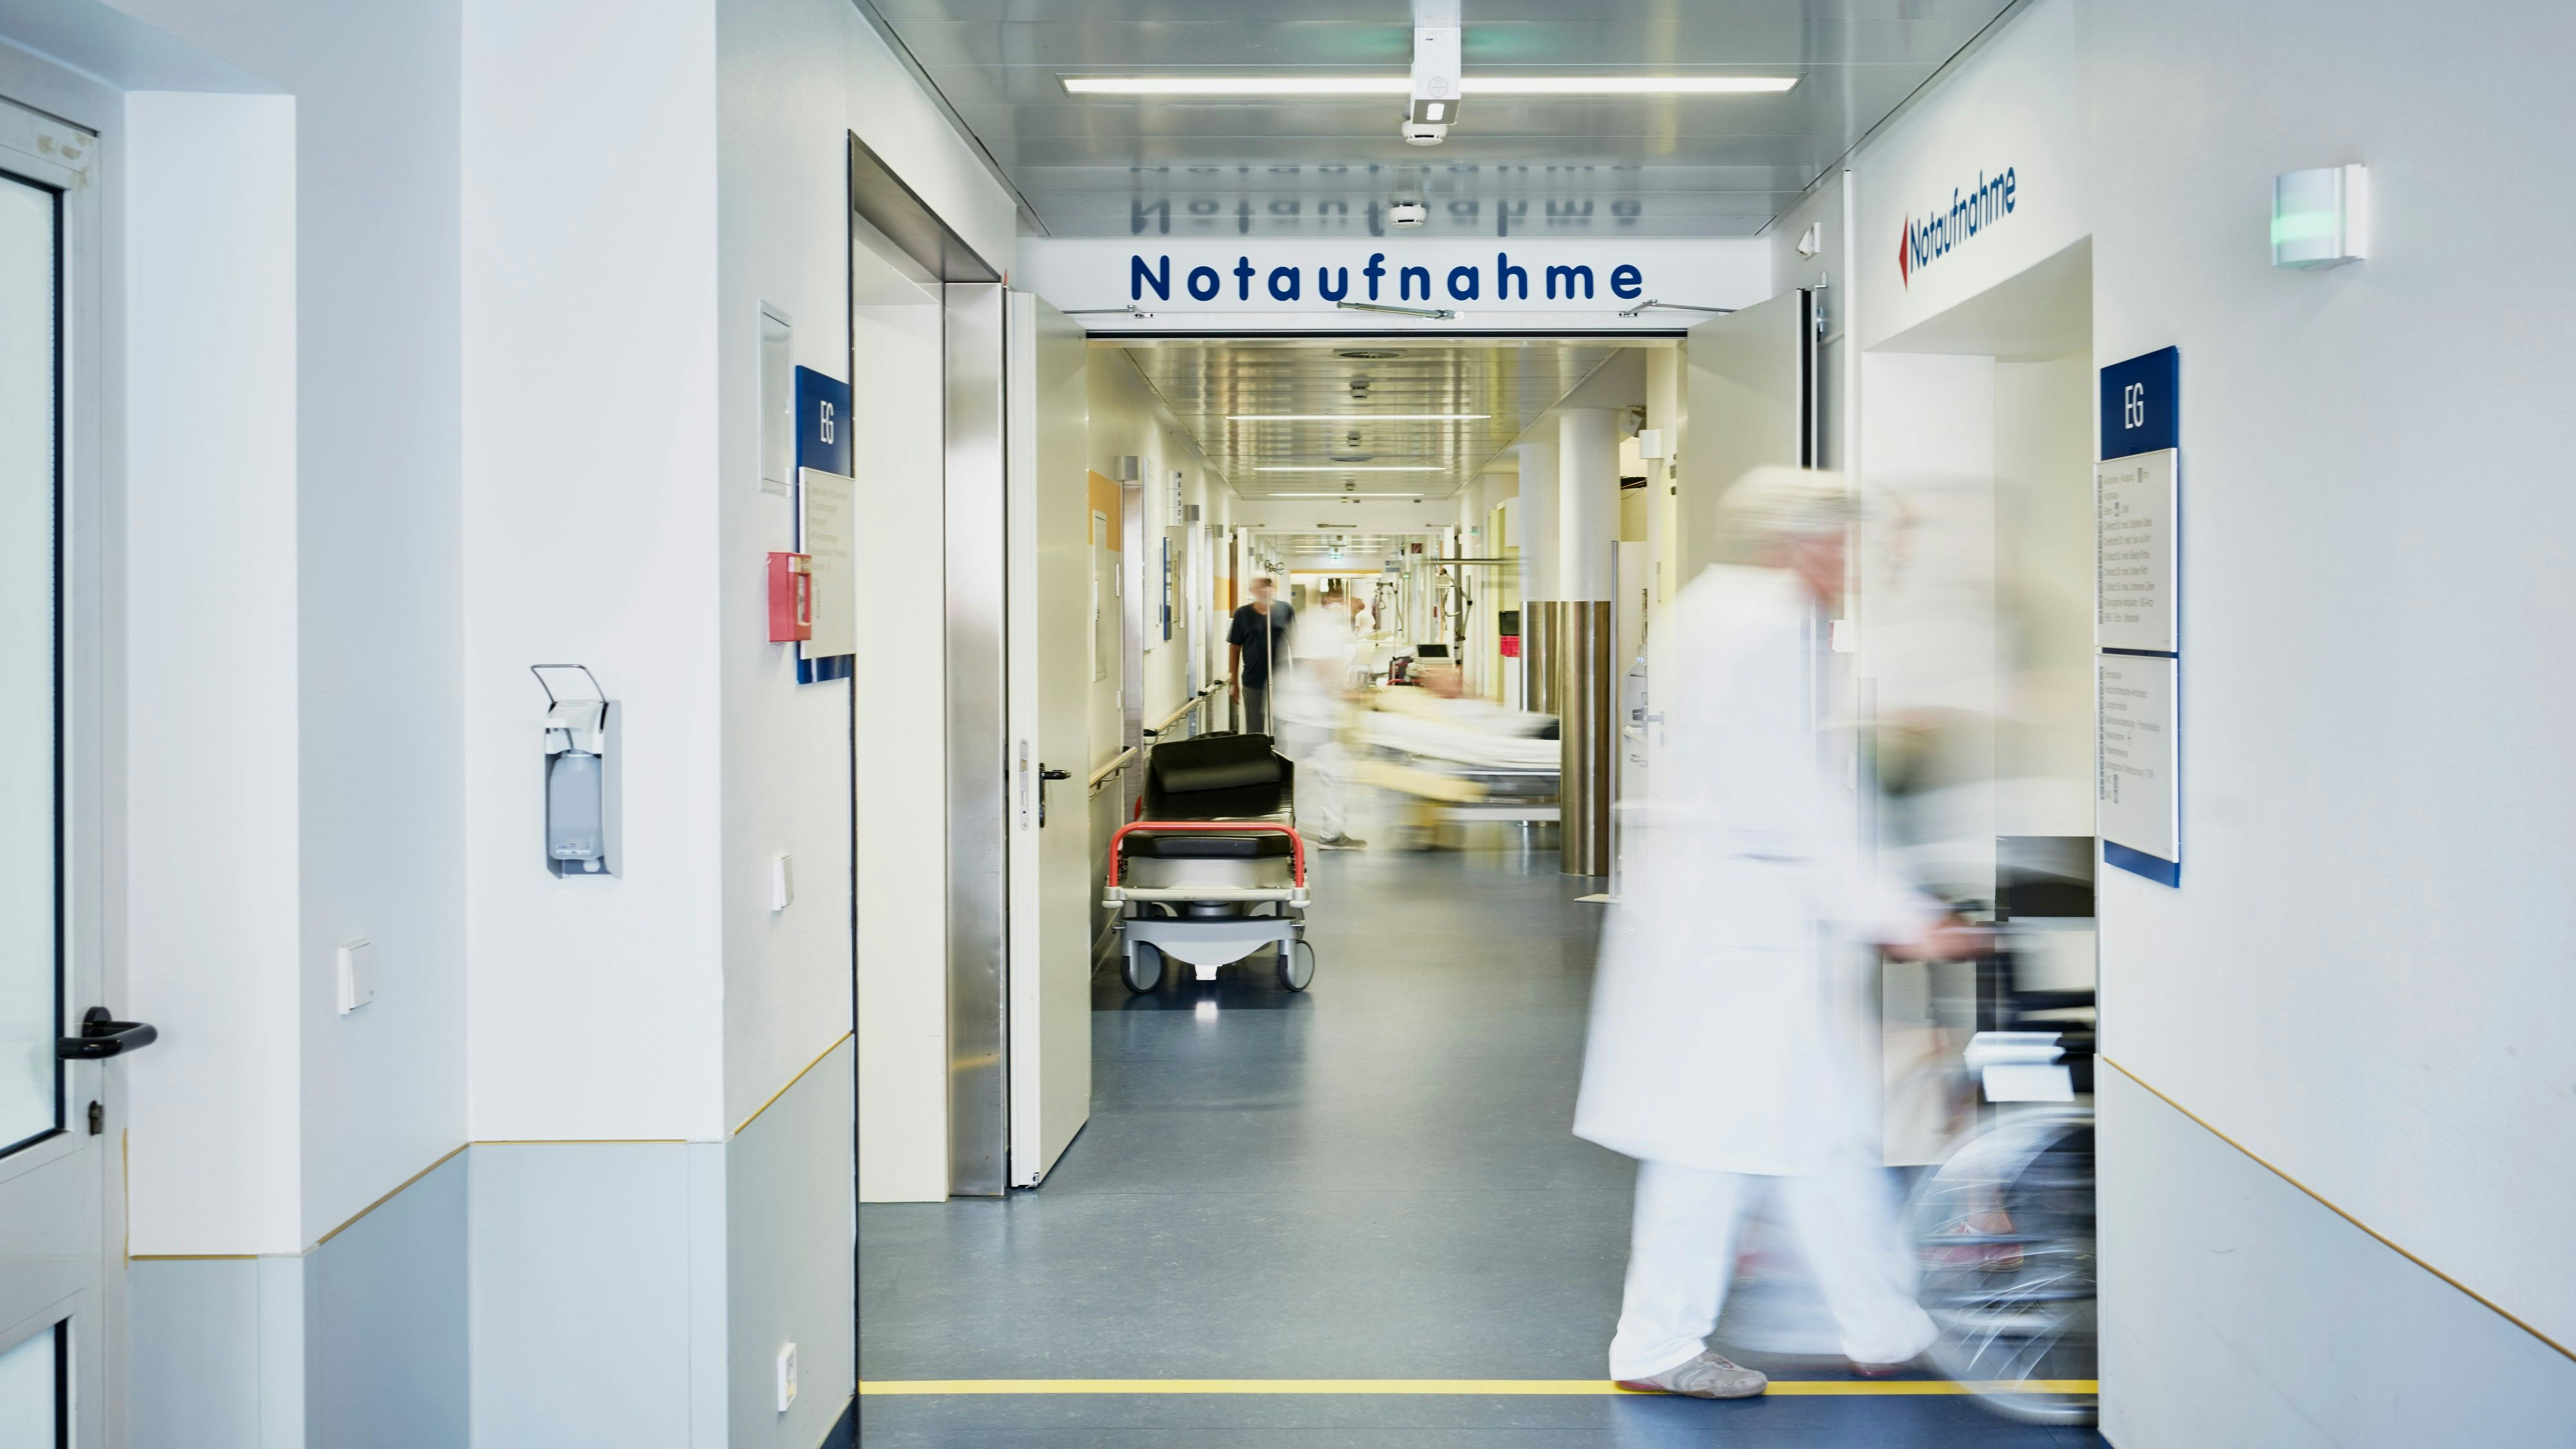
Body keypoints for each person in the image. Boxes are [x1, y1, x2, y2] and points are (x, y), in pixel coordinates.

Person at [1572, 467, 1978, 1400]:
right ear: (1816, 543)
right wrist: (1904, 914)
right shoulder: (1767, 629)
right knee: (1722, 1145)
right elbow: (1796, 796)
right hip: (1742, 937)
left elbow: (1789, 777)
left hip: (1741, 928)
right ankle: (1658, 1340)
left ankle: (1878, 1323)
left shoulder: (1720, 613)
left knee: (1813, 1134)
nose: (1867, 568)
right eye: (1863, 549)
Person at [1274, 587, 1365, 849]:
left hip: (1301, 714)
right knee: (1333, 775)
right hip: (1314, 716)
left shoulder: (1308, 620)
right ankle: (1327, 834)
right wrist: (1346, 695)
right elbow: (1322, 667)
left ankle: (1287, 831)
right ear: (1335, 602)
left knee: (1303, 777)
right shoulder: (1321, 624)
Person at [1227, 574, 1294, 735]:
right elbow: (1234, 649)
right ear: (1252, 591)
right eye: (1261, 586)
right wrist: (1234, 683)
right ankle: (1258, 760)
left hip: (1280, 680)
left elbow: (1295, 643)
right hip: (1253, 680)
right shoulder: (1242, 614)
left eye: (1268, 586)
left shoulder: (1285, 610)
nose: (1266, 590)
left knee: (1279, 729)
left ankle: (1279, 760)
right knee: (1254, 731)